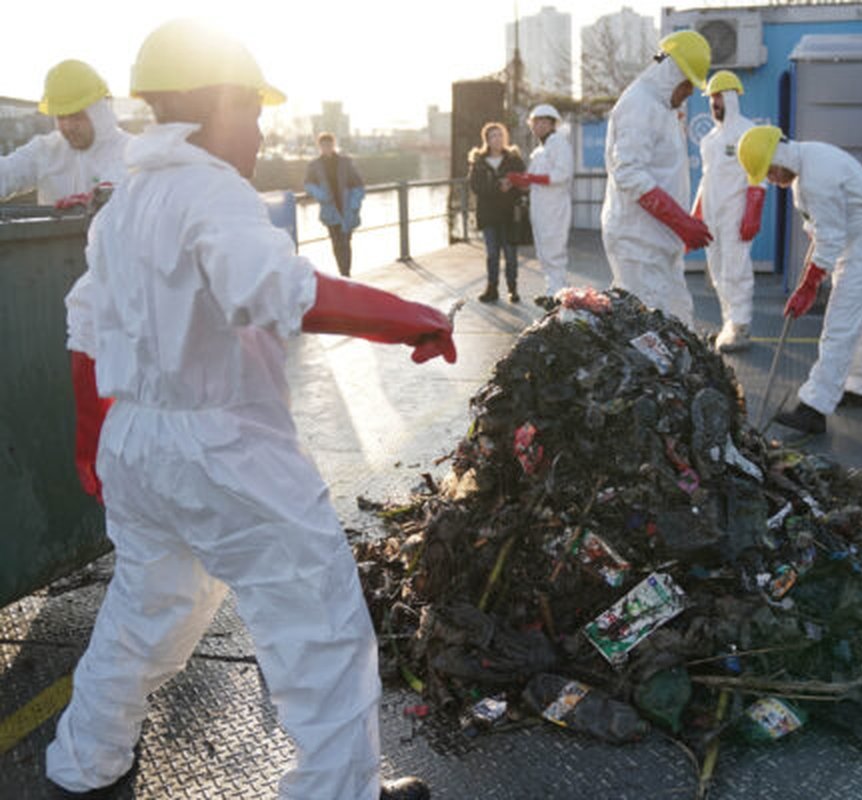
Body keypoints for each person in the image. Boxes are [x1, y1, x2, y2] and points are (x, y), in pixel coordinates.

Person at [49, 18, 451, 800]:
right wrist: (414, 319)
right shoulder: (212, 191)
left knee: (146, 609)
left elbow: (85, 332)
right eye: (256, 113)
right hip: (223, 446)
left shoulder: (123, 206)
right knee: (319, 624)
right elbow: (276, 291)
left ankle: (82, 760)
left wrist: (92, 447)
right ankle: (339, 791)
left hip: (136, 440)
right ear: (220, 105)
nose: (263, 132)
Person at [737, 125, 862, 435]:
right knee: (857, 320)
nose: (772, 180)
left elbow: (830, 237)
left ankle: (814, 407)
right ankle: (856, 385)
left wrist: (810, 285)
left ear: (779, 156)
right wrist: (810, 272)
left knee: (840, 323)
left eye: (770, 172)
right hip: (860, 239)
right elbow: (820, 231)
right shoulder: (806, 166)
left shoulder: (815, 178)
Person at [601, 30, 713, 327]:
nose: (690, 92)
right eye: (688, 83)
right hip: (637, 243)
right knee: (648, 333)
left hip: (657, 241)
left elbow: (664, 172)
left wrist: (678, 226)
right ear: (672, 73)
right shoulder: (639, 105)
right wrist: (680, 220)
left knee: (677, 323)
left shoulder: (661, 107)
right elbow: (628, 171)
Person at [692, 70, 765, 352]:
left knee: (736, 269)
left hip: (736, 213)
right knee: (718, 272)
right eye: (711, 98)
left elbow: (758, 175)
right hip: (712, 215)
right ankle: (729, 324)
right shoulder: (709, 139)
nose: (714, 103)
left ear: (732, 98)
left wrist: (752, 212)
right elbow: (706, 179)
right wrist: (696, 213)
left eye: (719, 96)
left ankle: (742, 324)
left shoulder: (748, 133)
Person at [0, 59, 131, 206]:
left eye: (77, 116)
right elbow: (7, 173)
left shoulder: (130, 152)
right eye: (61, 117)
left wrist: (97, 198)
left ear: (98, 112)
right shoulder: (46, 150)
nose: (68, 127)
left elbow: (119, 185)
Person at [507, 104, 573, 297]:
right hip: (541, 208)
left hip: (554, 207)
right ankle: (553, 291)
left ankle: (559, 293)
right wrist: (519, 181)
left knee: (554, 251)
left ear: (553, 124)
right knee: (544, 252)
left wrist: (530, 179)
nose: (540, 126)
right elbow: (531, 180)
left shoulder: (558, 143)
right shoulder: (539, 151)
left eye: (544, 122)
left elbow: (562, 174)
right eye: (536, 122)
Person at [468, 122, 525, 303]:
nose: (497, 139)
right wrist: (497, 186)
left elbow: (523, 184)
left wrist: (511, 186)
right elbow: (475, 187)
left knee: (510, 254)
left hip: (510, 215)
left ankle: (512, 289)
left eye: (500, 135)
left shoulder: (514, 159)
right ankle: (491, 289)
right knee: (492, 254)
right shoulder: (479, 162)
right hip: (488, 215)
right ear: (487, 140)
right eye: (493, 136)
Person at [304, 132, 365, 277]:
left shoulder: (345, 162)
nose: (327, 147)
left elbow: (358, 184)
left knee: (346, 242)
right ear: (319, 146)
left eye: (329, 144)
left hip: (347, 209)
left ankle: (346, 273)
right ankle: (344, 274)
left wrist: (355, 204)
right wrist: (321, 195)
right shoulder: (315, 165)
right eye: (323, 145)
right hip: (330, 210)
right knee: (336, 243)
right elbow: (308, 184)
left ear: (334, 144)